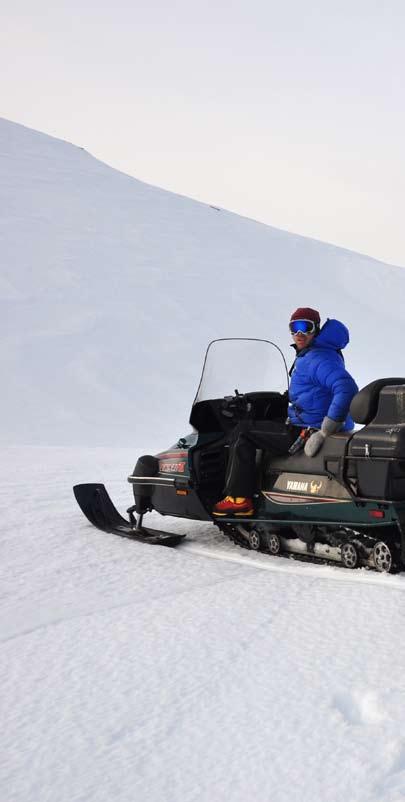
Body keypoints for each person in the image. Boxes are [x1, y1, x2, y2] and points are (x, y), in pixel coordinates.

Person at [212, 307, 358, 517]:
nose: (299, 333)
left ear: (316, 329)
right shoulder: (316, 353)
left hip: (308, 431)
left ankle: (238, 499)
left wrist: (325, 430)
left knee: (243, 432)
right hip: (307, 423)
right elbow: (314, 391)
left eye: (305, 327)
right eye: (294, 328)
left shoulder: (317, 357)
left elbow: (347, 388)